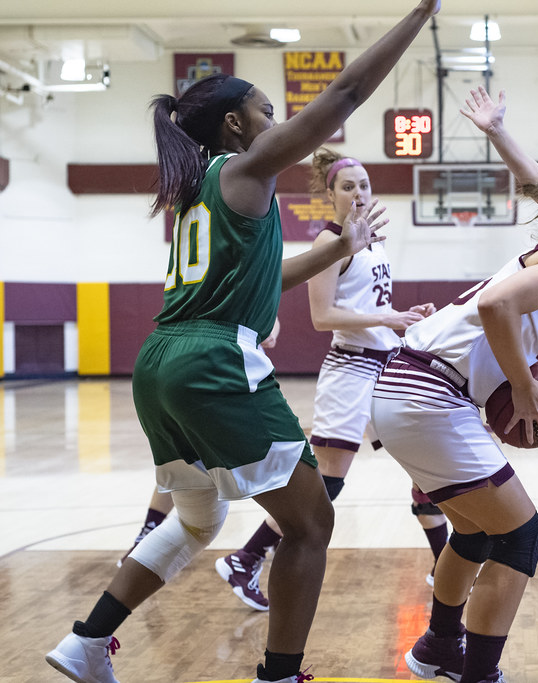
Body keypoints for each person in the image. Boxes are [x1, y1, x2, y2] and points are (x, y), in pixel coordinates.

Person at [44, 4, 439, 683]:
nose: (277, 123)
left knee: (199, 515)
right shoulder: (245, 168)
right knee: (311, 523)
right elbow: (345, 93)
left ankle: (87, 640)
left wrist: (343, 248)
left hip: (160, 362)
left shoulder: (199, 189)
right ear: (235, 124)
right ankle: (279, 673)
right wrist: (422, 13)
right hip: (213, 362)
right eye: (266, 110)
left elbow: (269, 274)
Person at [370, 89, 538, 682]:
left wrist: (499, 132)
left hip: (405, 389)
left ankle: (438, 647)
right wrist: (522, 384)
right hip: (430, 396)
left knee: (476, 529)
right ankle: (478, 674)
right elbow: (494, 305)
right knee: (524, 534)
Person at [214, 150, 448, 611]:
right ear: (330, 195)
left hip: (384, 364)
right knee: (329, 484)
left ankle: (446, 565)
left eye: (364, 184)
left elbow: (373, 307)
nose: (358, 192)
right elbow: (323, 317)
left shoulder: (374, 240)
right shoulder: (329, 242)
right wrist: (388, 317)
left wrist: (403, 319)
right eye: (348, 186)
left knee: (426, 466)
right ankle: (248, 557)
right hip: (351, 370)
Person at [117, 318, 282, 569]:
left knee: (186, 460)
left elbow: (271, 326)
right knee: (273, 455)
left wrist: (270, 328)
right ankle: (260, 548)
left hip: (196, 362)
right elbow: (270, 329)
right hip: (222, 365)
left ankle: (147, 534)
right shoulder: (232, 286)